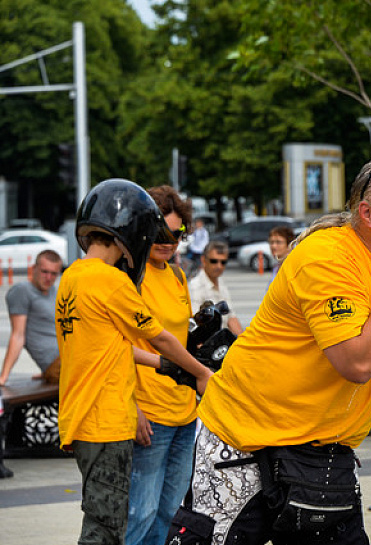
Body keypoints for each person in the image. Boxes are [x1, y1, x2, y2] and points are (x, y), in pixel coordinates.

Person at [164, 153, 371, 545]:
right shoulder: (326, 255)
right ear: (367, 214)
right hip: (243, 441)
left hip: (323, 453)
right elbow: (357, 361)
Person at [56, 179, 213, 545]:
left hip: (83, 418)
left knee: (107, 520)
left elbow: (104, 346)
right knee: (108, 528)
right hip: (107, 422)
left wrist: (165, 366)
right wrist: (202, 372)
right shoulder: (112, 282)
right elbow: (159, 337)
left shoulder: (72, 278)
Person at [126, 186, 199, 545]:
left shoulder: (177, 275)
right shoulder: (130, 277)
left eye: (177, 234)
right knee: (139, 514)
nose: (168, 242)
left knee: (171, 512)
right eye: (160, 234)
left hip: (185, 412)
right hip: (150, 415)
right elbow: (115, 347)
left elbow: (182, 341)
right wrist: (132, 406)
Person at [0, 250, 62, 386]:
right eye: (44, 271)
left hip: (66, 358)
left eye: (54, 273)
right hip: (58, 364)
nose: (49, 277)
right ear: (34, 269)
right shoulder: (22, 291)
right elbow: (17, 335)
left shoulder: (53, 291)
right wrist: (3, 376)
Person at [188, 241, 243, 335]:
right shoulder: (195, 286)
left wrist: (243, 342)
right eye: (214, 261)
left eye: (223, 262)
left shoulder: (220, 282)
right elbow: (194, 326)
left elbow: (231, 317)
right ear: (203, 260)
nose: (219, 266)